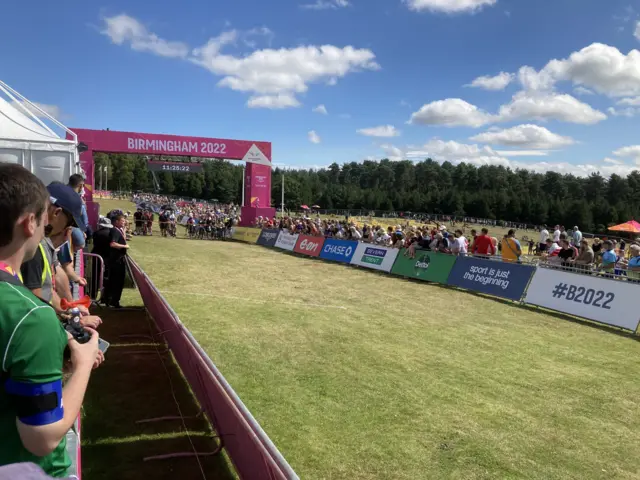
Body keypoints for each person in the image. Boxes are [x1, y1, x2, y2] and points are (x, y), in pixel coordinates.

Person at [0, 164, 102, 476]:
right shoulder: (31, 317)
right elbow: (42, 438)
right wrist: (82, 363)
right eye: (49, 219)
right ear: (30, 222)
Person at [102, 214, 129, 308]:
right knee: (117, 281)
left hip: (118, 260)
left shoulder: (118, 230)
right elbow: (113, 244)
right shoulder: (114, 230)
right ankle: (113, 301)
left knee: (116, 281)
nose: (124, 222)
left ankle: (110, 300)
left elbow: (122, 240)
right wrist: (125, 246)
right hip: (116, 261)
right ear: (116, 222)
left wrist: (124, 231)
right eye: (122, 221)